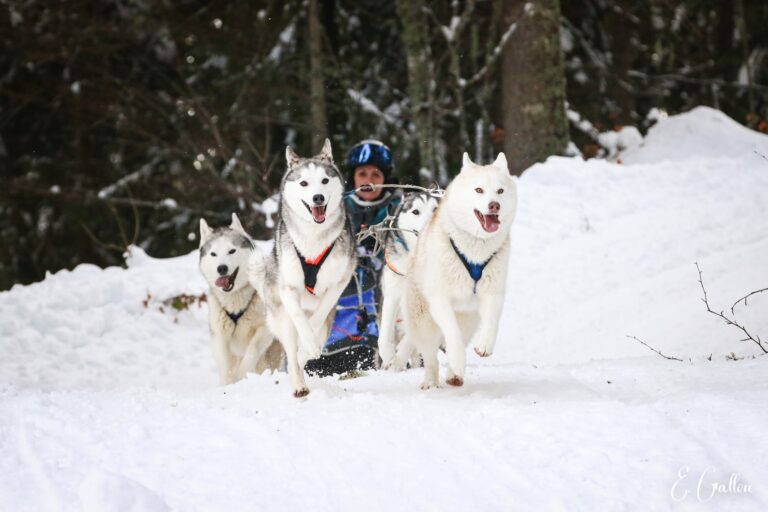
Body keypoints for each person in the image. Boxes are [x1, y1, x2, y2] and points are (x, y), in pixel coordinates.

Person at [304, 139, 401, 376]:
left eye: (376, 174)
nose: (369, 180)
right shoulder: (334, 208)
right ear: (353, 177)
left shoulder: (400, 209)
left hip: (383, 299)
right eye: (362, 173)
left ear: (385, 178)